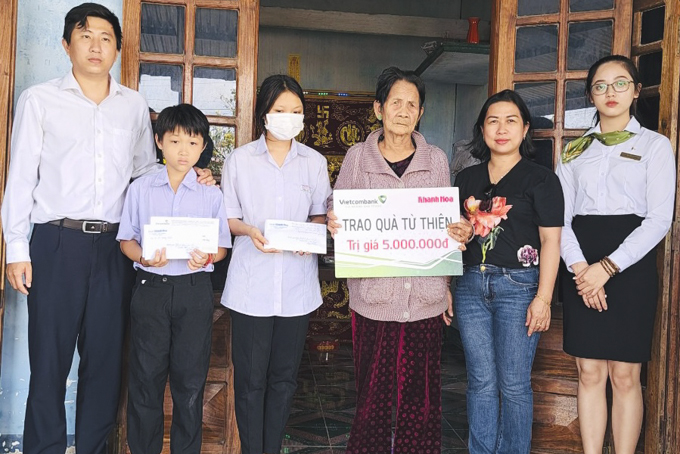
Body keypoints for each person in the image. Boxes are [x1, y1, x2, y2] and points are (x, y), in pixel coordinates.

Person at [0, 4, 212, 453]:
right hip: (56, 243)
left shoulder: (133, 104)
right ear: (66, 44)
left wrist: (196, 177)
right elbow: (20, 178)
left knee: (104, 365)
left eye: (105, 38)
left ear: (118, 47)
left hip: (115, 248)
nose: (96, 46)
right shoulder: (39, 100)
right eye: (85, 36)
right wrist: (16, 247)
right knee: (49, 364)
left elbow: (145, 176)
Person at [327, 67, 450, 454]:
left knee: (422, 401)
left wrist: (445, 287)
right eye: (395, 102)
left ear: (421, 113)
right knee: (373, 398)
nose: (404, 110)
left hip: (425, 299)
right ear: (379, 108)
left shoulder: (436, 160)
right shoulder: (357, 158)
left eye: (412, 104)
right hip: (373, 298)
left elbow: (444, 226)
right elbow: (338, 206)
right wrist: (335, 218)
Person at [556, 55, 675, 454]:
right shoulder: (573, 151)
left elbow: (659, 219)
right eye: (601, 85)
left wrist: (606, 268)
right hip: (579, 260)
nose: (611, 92)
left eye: (620, 83)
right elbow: (561, 219)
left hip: (631, 265)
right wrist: (580, 270)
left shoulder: (656, 146)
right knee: (588, 370)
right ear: (590, 94)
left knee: (625, 373)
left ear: (636, 90)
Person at [446, 89, 564, 454]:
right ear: (482, 129)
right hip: (468, 286)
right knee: (480, 380)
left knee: (514, 384)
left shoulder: (541, 180)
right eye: (492, 121)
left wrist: (543, 299)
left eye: (511, 120)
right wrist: (447, 286)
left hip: (519, 288)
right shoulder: (465, 179)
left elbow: (551, 243)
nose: (501, 128)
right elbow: (450, 238)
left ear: (525, 128)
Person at [220, 74, 332, 454]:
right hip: (252, 286)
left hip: (297, 289)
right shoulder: (240, 160)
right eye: (281, 110)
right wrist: (250, 231)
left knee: (284, 379)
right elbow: (229, 218)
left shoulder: (313, 163)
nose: (289, 117)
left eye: (297, 111)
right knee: (251, 381)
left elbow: (320, 215)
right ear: (264, 113)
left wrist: (309, 238)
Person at [117, 104, 231, 454]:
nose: (184, 150)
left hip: (194, 293)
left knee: (190, 383)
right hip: (151, 290)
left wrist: (208, 256)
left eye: (193, 142)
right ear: (159, 142)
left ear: (203, 147)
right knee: (145, 382)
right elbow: (126, 241)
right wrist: (143, 256)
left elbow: (222, 247)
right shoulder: (141, 189)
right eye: (175, 141)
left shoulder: (211, 193)